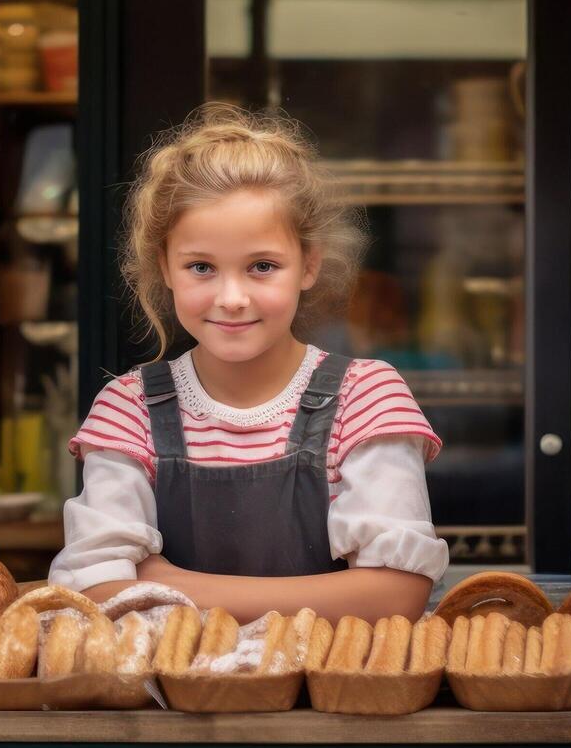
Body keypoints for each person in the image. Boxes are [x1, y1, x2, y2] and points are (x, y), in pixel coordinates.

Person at [49, 103, 447, 623]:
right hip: (175, 700)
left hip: (330, 696)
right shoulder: (129, 409)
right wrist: (339, 594)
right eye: (201, 267)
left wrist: (173, 583)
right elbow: (98, 590)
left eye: (262, 266)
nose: (232, 297)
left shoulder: (367, 397)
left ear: (309, 264)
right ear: (164, 268)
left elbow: (395, 598)